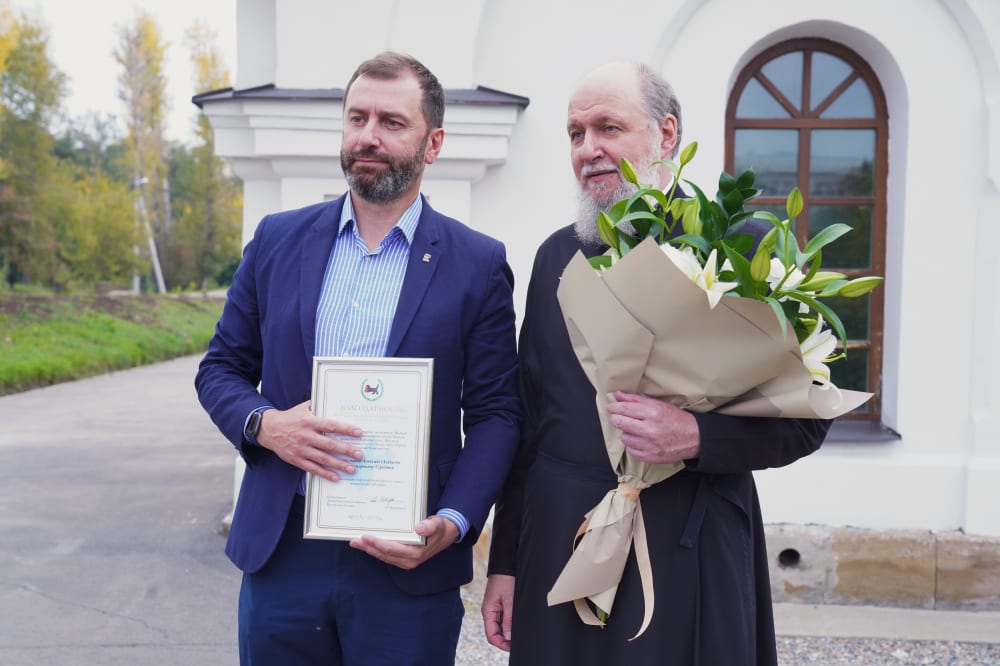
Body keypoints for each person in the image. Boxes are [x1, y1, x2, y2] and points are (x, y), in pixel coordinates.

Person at [481, 61, 831, 665]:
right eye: (575, 134)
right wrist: (504, 562)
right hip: (562, 541)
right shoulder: (556, 258)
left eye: (608, 128)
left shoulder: (743, 249)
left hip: (691, 543)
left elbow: (808, 420)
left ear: (667, 134)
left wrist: (697, 436)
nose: (588, 149)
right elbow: (528, 422)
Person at [195, 51, 520, 665]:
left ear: (433, 143)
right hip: (284, 548)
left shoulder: (476, 263)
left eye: (392, 122)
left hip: (408, 557)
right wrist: (267, 425)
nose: (368, 136)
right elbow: (221, 369)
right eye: (357, 118)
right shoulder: (277, 239)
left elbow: (497, 413)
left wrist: (453, 521)